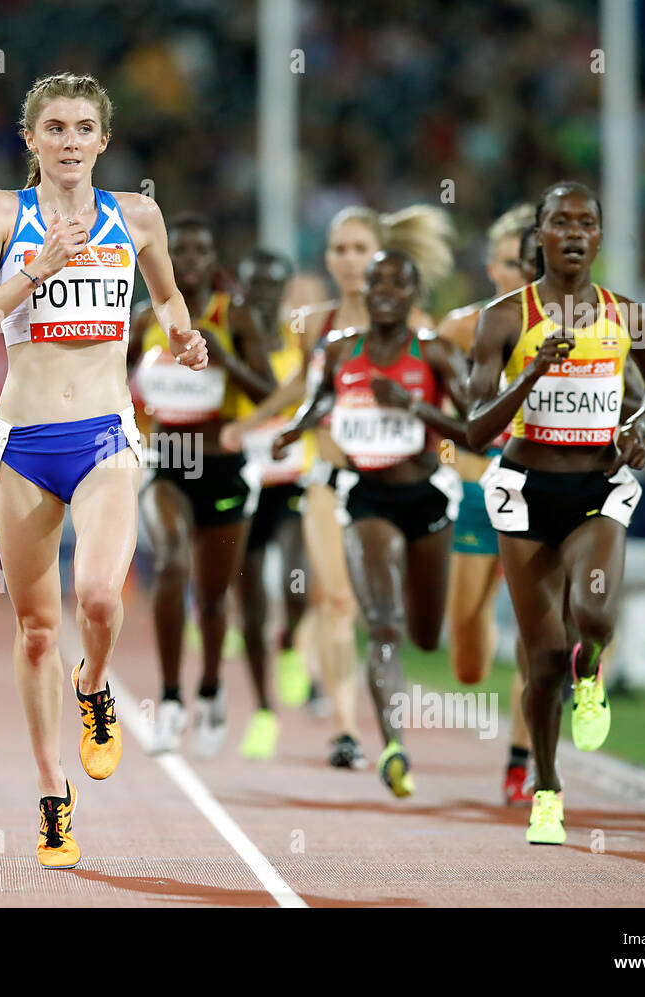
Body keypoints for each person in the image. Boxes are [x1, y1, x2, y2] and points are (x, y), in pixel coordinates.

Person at [0, 73, 208, 869]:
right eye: (52, 127)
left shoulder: (138, 216)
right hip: (24, 444)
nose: (67, 140)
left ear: (102, 140)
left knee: (98, 595)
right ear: (31, 141)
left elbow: (167, 302)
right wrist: (34, 272)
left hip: (102, 436)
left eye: (82, 127)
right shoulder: (0, 212)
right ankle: (54, 794)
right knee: (34, 633)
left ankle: (95, 688)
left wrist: (184, 340)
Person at [467, 181, 645, 845]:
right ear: (542, 238)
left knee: (596, 613)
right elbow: (473, 427)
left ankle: (593, 672)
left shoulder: (629, 315)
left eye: (587, 221)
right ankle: (547, 790)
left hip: (595, 486)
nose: (575, 231)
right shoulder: (504, 317)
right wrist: (529, 377)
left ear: (600, 237)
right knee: (541, 657)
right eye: (561, 221)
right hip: (526, 488)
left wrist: (638, 425)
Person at [222, 206, 453, 770]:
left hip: (401, 479)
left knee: (398, 616)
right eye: (337, 249)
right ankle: (348, 731)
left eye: (358, 249)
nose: (346, 261)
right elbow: (300, 390)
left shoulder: (418, 324)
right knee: (336, 599)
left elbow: (442, 393)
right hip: (330, 477)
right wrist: (252, 424)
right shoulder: (315, 325)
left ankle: (382, 712)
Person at [272, 250, 471, 797]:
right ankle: (392, 746)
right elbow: (318, 402)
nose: (383, 289)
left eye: (396, 281)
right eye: (376, 280)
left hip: (427, 497)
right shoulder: (338, 350)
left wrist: (414, 406)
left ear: (413, 293)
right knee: (382, 623)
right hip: (367, 499)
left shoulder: (433, 351)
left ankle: (397, 710)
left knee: (426, 635)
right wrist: (294, 430)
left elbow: (473, 427)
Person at [128, 216, 275, 758]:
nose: (188, 261)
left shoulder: (233, 316)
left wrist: (225, 354)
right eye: (178, 251)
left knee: (214, 598)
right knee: (170, 565)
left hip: (222, 466)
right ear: (162, 259)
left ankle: (211, 688)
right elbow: (110, 384)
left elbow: (271, 392)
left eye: (199, 252)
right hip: (168, 460)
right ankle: (170, 700)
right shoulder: (145, 319)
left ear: (213, 263)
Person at [435, 204, 538, 804]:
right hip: (477, 492)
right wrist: (453, 465)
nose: (513, 274)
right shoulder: (461, 328)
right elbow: (439, 410)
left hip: (538, 487)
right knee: (468, 662)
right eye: (503, 263)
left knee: (536, 629)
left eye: (523, 263)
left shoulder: (563, 326)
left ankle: (521, 763)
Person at [229, 247, 310, 758]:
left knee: (298, 583)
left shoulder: (300, 342)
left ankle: (291, 643)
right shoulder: (227, 339)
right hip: (241, 481)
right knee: (251, 603)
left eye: (271, 286)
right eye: (253, 285)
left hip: (291, 479)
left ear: (284, 290)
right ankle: (262, 710)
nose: (262, 295)